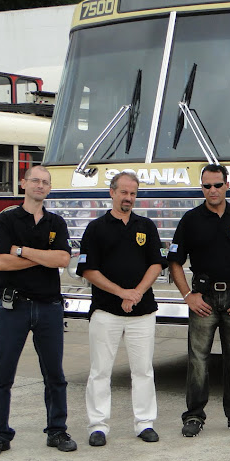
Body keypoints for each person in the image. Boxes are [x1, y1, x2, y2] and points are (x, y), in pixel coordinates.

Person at [0, 165, 77, 457]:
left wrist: (22, 251)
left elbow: (63, 258)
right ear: (23, 184)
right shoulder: (6, 220)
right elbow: (0, 263)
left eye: (45, 182)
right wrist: (44, 259)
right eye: (34, 180)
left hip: (49, 307)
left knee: (55, 375)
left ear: (49, 188)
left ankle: (57, 431)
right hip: (13, 307)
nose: (40, 185)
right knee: (2, 375)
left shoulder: (56, 222)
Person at [168, 163, 230, 437]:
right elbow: (174, 261)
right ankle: (194, 416)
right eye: (207, 186)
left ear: (227, 185)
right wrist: (188, 295)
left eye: (217, 185)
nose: (212, 190)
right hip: (204, 300)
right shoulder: (190, 220)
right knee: (198, 360)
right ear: (202, 188)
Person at [76, 171, 167, 446]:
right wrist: (121, 293)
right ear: (112, 193)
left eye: (133, 193)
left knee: (143, 371)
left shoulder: (146, 226)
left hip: (143, 313)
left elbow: (156, 264)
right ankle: (98, 426)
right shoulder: (96, 228)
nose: (128, 198)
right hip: (105, 312)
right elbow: (88, 270)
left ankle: (144, 423)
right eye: (124, 192)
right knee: (100, 371)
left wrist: (137, 293)